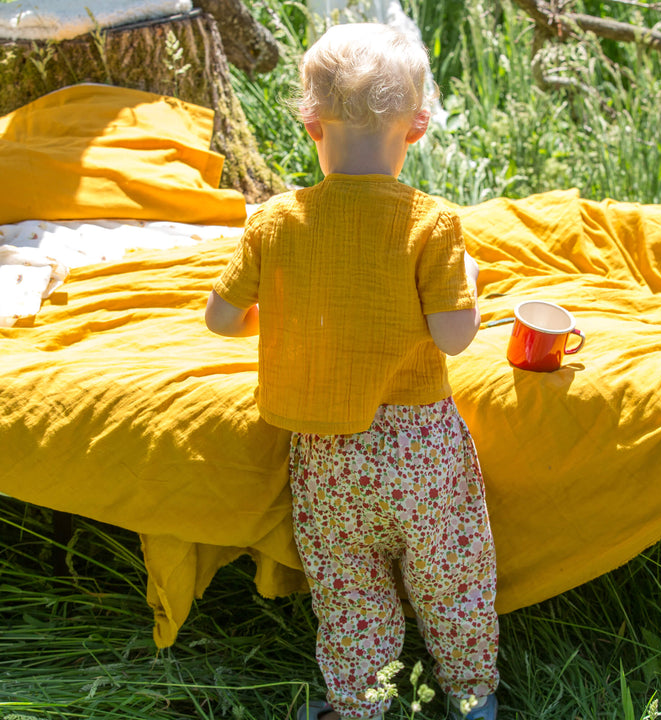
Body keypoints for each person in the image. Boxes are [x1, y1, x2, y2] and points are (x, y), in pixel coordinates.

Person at [205, 22, 499, 720]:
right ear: (418, 128)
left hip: (328, 459)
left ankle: (360, 704)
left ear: (311, 123)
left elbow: (220, 320)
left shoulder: (274, 223)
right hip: (421, 451)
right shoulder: (433, 226)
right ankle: (470, 696)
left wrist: (266, 310)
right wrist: (471, 283)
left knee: (348, 589)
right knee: (453, 577)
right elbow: (455, 338)